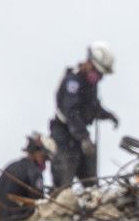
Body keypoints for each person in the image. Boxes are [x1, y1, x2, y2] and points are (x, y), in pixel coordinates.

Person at [49, 41, 118, 190]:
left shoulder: (90, 84)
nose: (99, 77)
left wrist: (107, 115)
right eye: (97, 72)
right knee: (64, 185)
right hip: (64, 136)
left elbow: (92, 107)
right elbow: (71, 113)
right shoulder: (72, 82)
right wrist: (84, 138)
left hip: (80, 136)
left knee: (91, 184)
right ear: (89, 63)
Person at [0, 134, 55, 221]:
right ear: (37, 152)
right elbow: (38, 202)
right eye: (45, 158)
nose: (45, 163)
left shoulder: (11, 166)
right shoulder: (34, 172)